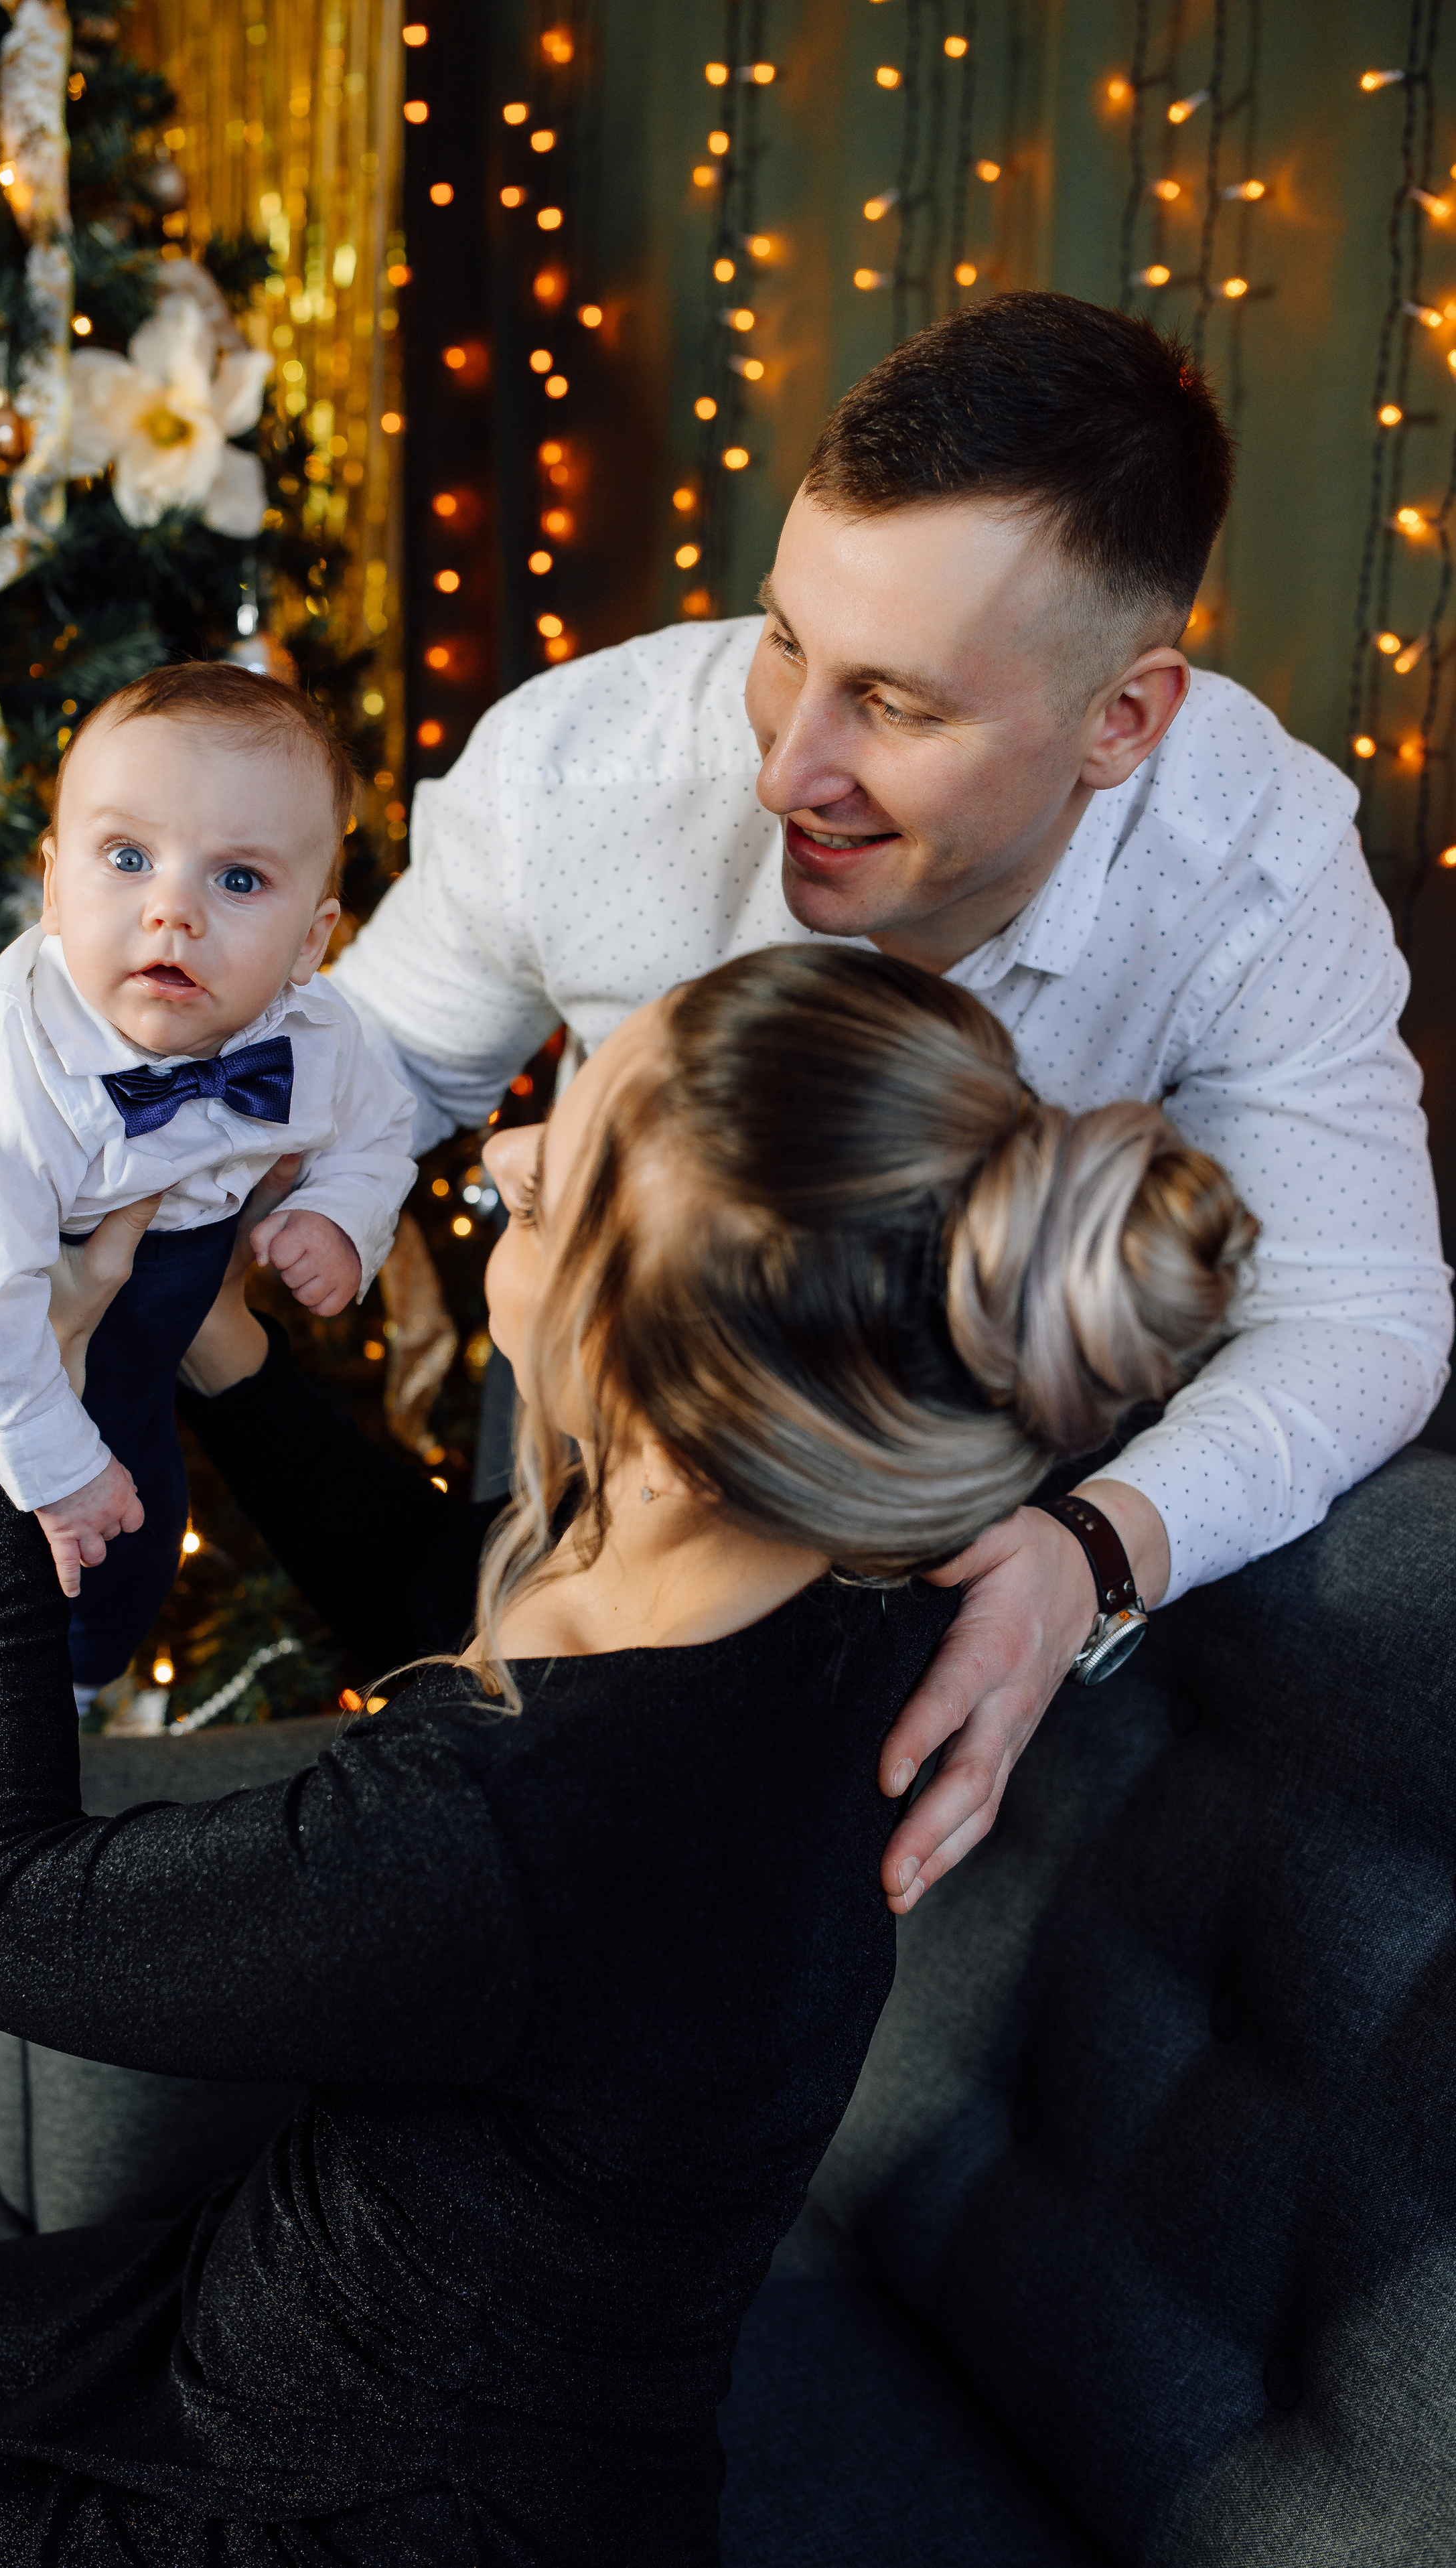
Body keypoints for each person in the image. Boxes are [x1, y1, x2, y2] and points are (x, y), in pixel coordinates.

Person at [0, 944, 1252, 2567]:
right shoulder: (825, 1575)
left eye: (555, 1186)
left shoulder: (513, 1824)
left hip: (398, 2510)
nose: (502, 1154)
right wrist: (227, 1356)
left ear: (663, 1407)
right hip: (291, 2319)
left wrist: (8, 1403)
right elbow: (430, 1580)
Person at [330, 291, 1453, 1916]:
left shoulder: (1255, 875)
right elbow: (363, 1073)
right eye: (787, 640)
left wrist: (1095, 1551)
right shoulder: (579, 773)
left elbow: (1358, 1312)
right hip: (600, 1468)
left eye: (901, 707)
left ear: (1121, 720)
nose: (786, 767)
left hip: (964, 1535)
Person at [0, 662, 416, 1918]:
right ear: (52, 878)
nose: (171, 915)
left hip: (157, 1319)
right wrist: (47, 1458)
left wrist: (339, 1220)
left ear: (312, 939)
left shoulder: (317, 1037)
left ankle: (68, 1707)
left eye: (236, 880)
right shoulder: (8, 1051)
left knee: (126, 1567)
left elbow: (379, 1126)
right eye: (126, 859)